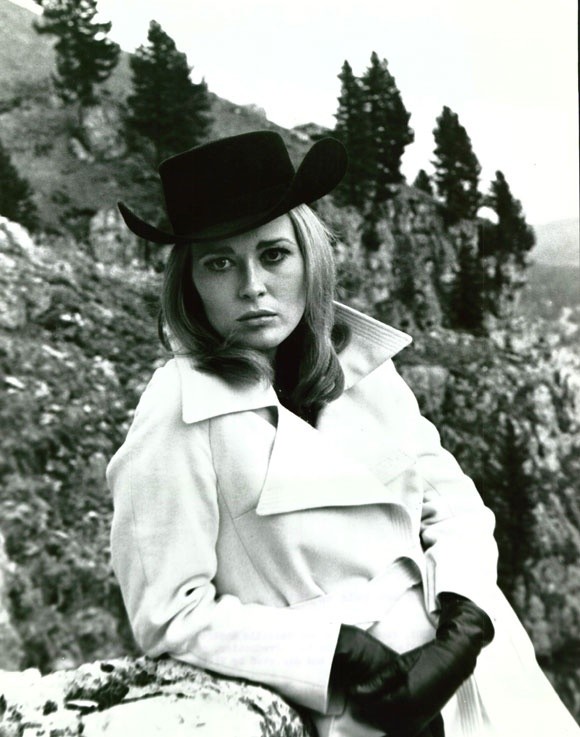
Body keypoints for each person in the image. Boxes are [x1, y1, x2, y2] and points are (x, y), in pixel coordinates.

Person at [107, 131, 579, 737]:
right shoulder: (180, 407)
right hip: (372, 705)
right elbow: (168, 614)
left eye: (273, 254)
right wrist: (338, 652)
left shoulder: (357, 364)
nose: (252, 285)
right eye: (219, 262)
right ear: (190, 282)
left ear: (309, 258)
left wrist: (465, 623)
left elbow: (454, 504)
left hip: (488, 677)